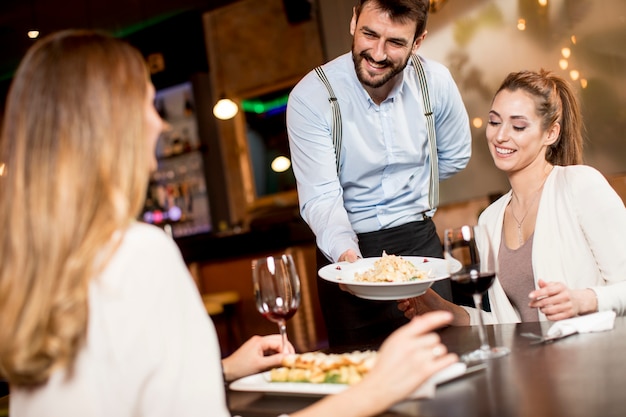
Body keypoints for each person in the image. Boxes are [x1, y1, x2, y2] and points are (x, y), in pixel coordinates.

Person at [0, 30, 458, 417]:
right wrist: (376, 389)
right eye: (146, 104)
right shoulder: (136, 253)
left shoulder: (41, 258)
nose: (160, 125)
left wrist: (218, 370)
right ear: (107, 127)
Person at [286, 0, 472, 347]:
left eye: (396, 42)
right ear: (354, 20)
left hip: (420, 245)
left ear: (418, 42)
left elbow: (455, 156)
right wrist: (350, 262)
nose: (377, 53)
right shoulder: (311, 97)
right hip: (347, 249)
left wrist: (409, 189)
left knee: (446, 364)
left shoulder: (436, 82)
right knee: (361, 377)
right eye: (369, 34)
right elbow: (322, 197)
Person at [399, 69, 626, 325]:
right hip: (530, 363)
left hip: (593, 359)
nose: (500, 136)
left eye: (518, 126)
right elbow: (505, 323)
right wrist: (438, 306)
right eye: (495, 122)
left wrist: (584, 300)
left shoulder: (580, 185)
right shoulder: (490, 218)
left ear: (551, 133)